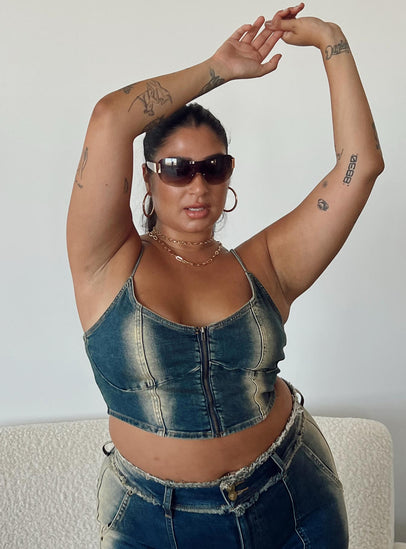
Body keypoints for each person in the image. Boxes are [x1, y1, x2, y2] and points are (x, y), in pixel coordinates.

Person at [67, 3, 384, 548]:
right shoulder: (107, 262)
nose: (198, 185)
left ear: (229, 173)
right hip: (151, 524)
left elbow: (361, 165)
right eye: (178, 169)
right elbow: (110, 117)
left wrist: (331, 41)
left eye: (214, 167)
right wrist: (219, 69)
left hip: (292, 499)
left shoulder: (266, 265)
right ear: (147, 177)